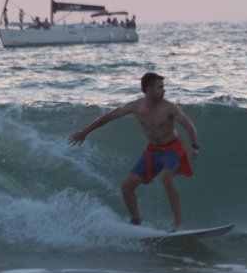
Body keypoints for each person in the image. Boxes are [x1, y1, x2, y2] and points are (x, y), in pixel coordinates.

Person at [68, 72, 200, 231]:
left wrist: (194, 147)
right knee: (127, 186)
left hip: (173, 149)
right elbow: (109, 117)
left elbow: (190, 127)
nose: (164, 91)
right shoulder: (136, 107)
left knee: (166, 178)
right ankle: (136, 221)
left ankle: (179, 224)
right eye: (160, 87)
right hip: (153, 151)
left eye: (163, 87)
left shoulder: (168, 107)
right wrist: (85, 132)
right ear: (149, 89)